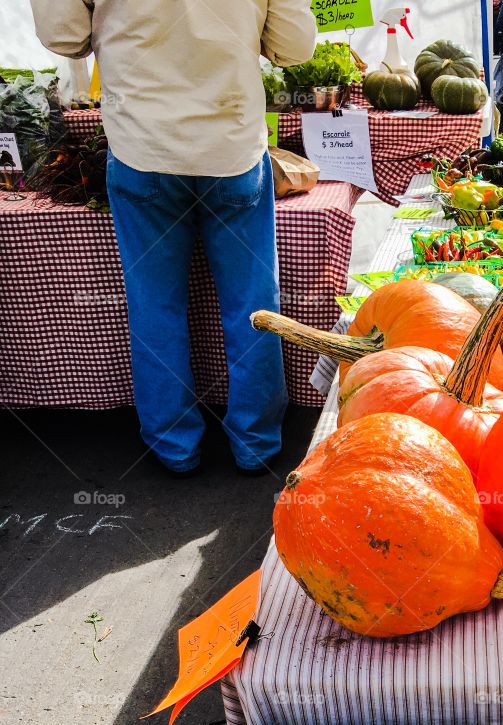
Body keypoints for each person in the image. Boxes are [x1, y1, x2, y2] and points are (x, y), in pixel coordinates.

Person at [31, 0, 317, 475]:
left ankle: (175, 448)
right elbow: (294, 46)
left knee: (155, 307)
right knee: (254, 306)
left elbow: (64, 38)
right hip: (232, 147)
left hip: (143, 147)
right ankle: (256, 445)